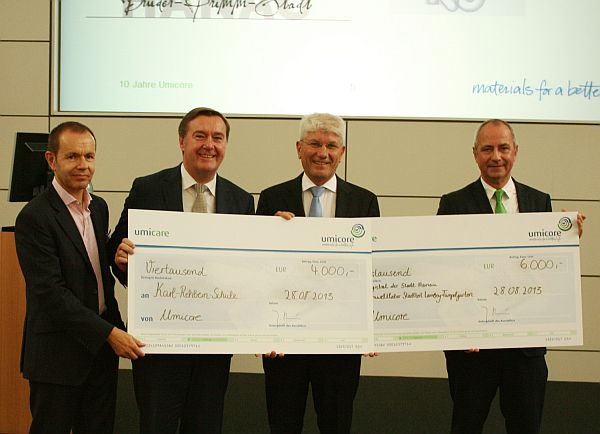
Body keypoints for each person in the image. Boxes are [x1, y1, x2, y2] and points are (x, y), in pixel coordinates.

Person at [108, 107, 254, 434]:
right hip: (158, 342)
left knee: (205, 426)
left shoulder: (241, 200)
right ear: (181, 141)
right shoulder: (147, 188)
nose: (209, 145)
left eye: (218, 137)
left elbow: (248, 269)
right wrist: (121, 258)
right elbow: (117, 246)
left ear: (226, 145)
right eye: (200, 136)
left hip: (214, 344)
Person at [437, 119, 585, 434]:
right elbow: (443, 273)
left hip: (525, 348)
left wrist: (566, 240)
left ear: (515, 151)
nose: (496, 156)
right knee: (466, 425)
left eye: (503, 148)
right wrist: (459, 327)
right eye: (487, 149)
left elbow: (547, 271)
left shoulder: (539, 202)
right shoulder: (453, 203)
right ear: (475, 154)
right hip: (473, 349)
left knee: (526, 426)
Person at [14, 121, 145, 434]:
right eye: (72, 156)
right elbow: (51, 294)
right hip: (57, 358)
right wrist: (109, 334)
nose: (83, 164)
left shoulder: (98, 208)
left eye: (89, 156)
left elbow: (96, 274)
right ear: (51, 160)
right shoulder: (34, 217)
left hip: (100, 357)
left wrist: (121, 258)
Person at [256, 113, 380, 434]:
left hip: (340, 345)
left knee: (336, 425)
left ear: (343, 152)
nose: (322, 153)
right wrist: (272, 234)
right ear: (299, 148)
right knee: (283, 425)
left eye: (331, 145)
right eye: (314, 143)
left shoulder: (365, 202)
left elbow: (372, 272)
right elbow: (258, 271)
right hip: (285, 343)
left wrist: (372, 329)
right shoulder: (271, 199)